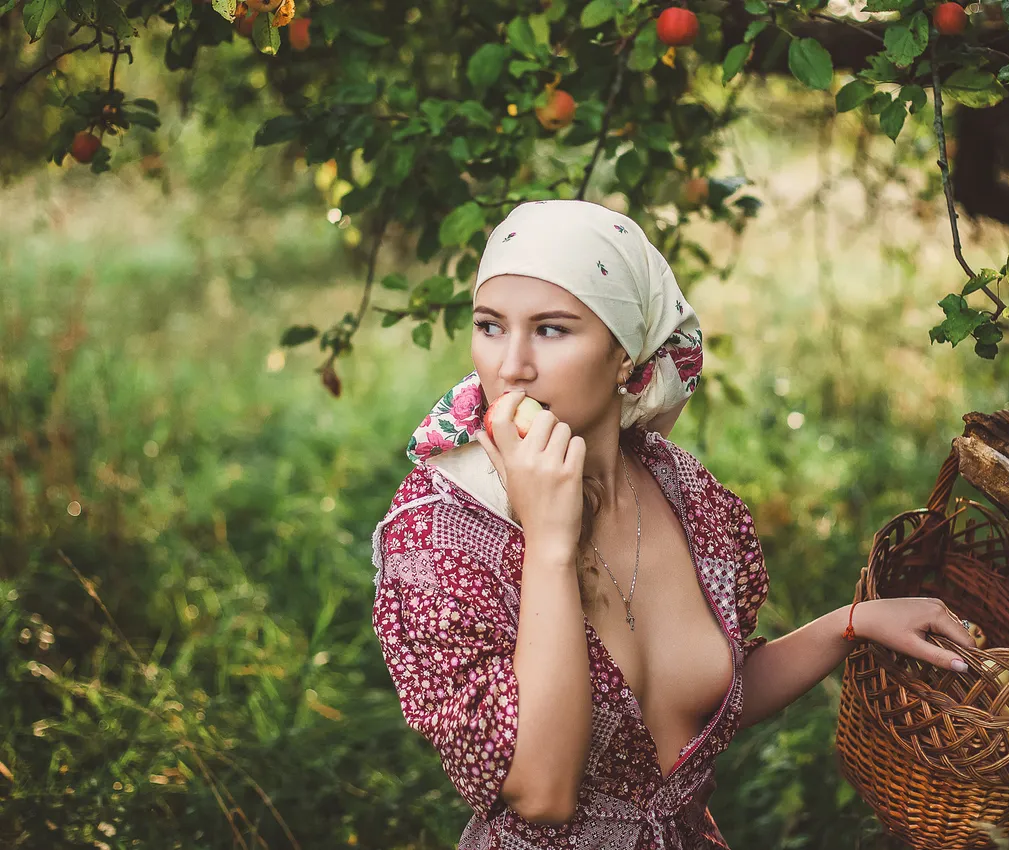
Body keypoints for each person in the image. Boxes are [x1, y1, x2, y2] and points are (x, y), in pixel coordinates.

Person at [370, 199, 975, 850]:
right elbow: (542, 793)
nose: (511, 365)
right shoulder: (442, 534)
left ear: (626, 357)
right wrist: (548, 541)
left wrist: (850, 624)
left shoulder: (680, 491)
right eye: (491, 326)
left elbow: (706, 699)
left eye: (550, 330)